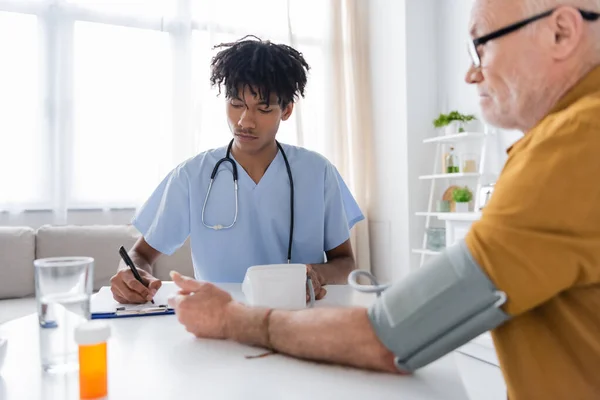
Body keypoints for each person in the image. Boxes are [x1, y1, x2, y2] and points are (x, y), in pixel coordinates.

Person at [166, 1, 600, 399]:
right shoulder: (568, 138)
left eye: (480, 47)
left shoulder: (576, 144)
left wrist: (231, 319)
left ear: (560, 33)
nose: (471, 74)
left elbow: (392, 334)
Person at [110, 36, 364, 305]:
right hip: (220, 317)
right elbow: (141, 255)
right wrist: (130, 274)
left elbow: (345, 261)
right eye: (236, 104)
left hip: (299, 315)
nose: (245, 121)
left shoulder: (318, 172)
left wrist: (318, 274)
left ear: (287, 110)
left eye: (263, 108)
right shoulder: (191, 176)